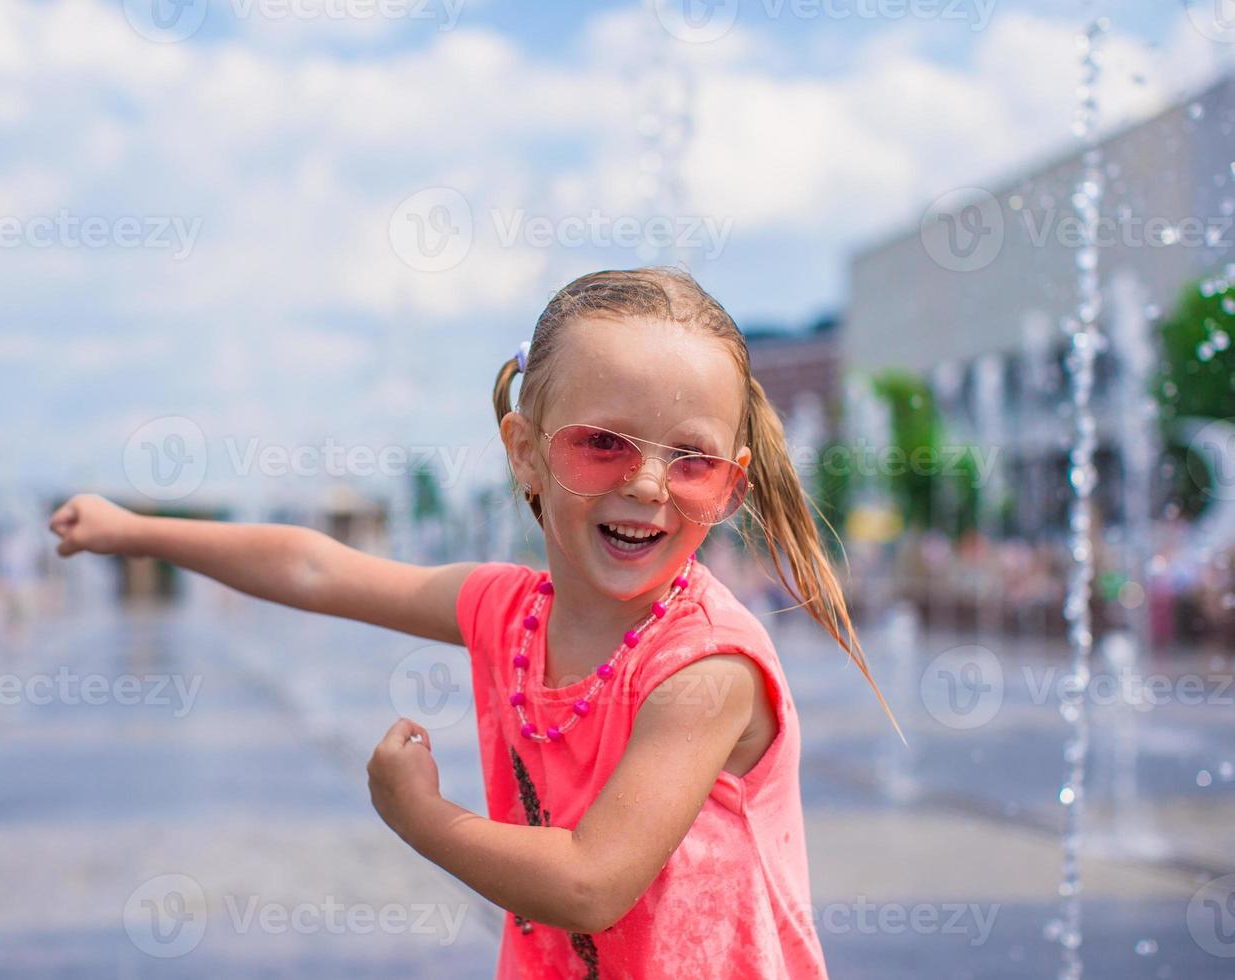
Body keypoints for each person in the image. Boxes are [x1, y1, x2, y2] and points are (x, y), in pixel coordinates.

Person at [49, 267, 898, 978]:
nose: (646, 484)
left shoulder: (704, 669)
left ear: (732, 485)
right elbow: (316, 566)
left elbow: (590, 885)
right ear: (525, 450)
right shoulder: (511, 614)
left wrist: (423, 818)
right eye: (603, 443)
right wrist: (133, 529)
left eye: (692, 459)